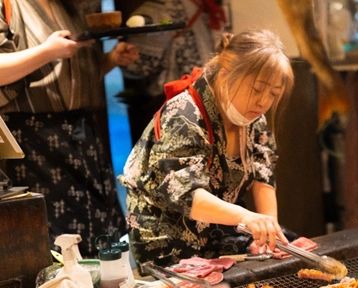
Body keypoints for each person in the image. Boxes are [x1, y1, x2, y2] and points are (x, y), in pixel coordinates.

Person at [120, 29, 294, 265]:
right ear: (225, 74)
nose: (263, 101)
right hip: (168, 244)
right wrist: (247, 217)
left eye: (273, 94)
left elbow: (264, 177)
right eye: (256, 89)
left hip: (218, 234)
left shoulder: (253, 119)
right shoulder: (183, 114)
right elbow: (187, 194)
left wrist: (269, 230)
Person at [0, 0, 139, 255]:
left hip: (84, 133)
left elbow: (74, 74)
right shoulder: (9, 5)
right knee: (59, 242)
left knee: (103, 233)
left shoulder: (68, 6)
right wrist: (47, 51)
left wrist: (110, 60)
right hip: (34, 137)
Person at [117, 0, 226, 144]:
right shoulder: (212, 8)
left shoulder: (164, 8)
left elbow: (138, 67)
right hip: (196, 100)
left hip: (187, 101)